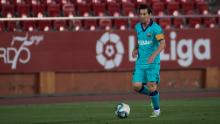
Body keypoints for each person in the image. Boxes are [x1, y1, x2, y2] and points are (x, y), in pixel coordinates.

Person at [132, 4, 166, 118]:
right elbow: (140, 40)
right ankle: (153, 95)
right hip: (140, 62)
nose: (142, 16)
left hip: (153, 63)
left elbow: (163, 44)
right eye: (140, 14)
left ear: (150, 15)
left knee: (152, 85)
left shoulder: (156, 28)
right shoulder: (137, 27)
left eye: (144, 14)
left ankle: (156, 111)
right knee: (136, 86)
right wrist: (136, 48)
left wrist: (154, 55)